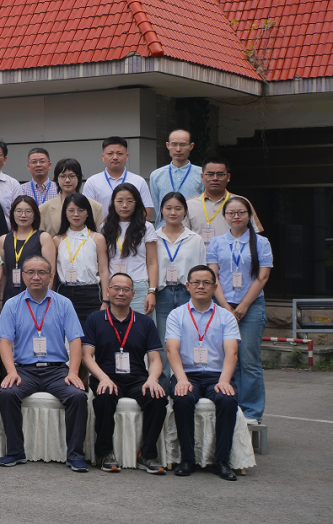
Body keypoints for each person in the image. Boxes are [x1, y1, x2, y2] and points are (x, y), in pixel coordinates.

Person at [0, 255, 89, 471]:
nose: (35, 277)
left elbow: (75, 340)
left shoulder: (64, 303)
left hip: (56, 371)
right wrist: (11, 371)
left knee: (77, 396)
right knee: (8, 393)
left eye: (41, 273)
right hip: (24, 371)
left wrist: (73, 372)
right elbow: (5, 343)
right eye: (30, 272)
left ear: (50, 276)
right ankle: (15, 451)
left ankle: (75, 455)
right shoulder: (12, 305)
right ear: (23, 276)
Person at [82, 272, 168, 474]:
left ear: (133, 294)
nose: (121, 293)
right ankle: (104, 452)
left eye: (126, 289)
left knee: (157, 397)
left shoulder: (145, 322)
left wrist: (153, 379)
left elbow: (155, 359)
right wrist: (103, 378)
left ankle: (147, 454)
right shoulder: (95, 319)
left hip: (138, 378)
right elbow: (87, 356)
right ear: (108, 291)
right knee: (104, 396)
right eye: (116, 288)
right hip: (106, 376)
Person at [166, 265, 241, 481]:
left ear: (215, 287)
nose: (201, 286)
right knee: (183, 398)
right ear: (187, 286)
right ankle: (187, 459)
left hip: (217, 374)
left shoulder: (226, 316)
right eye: (196, 282)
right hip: (187, 373)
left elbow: (232, 352)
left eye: (206, 283)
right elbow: (172, 350)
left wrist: (224, 380)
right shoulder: (176, 315)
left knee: (227, 399)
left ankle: (222, 461)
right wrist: (181, 379)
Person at [207, 197, 271, 423]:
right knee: (226, 359)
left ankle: (251, 412)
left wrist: (243, 305)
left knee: (249, 360)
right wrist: (225, 307)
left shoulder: (261, 242)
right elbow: (213, 277)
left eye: (241, 212)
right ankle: (230, 406)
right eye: (231, 213)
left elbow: (262, 277)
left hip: (251, 306)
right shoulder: (216, 242)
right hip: (223, 305)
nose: (236, 217)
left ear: (249, 216)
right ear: (224, 216)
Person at [154, 192, 207, 383]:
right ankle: (162, 389)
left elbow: (202, 269)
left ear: (185, 211)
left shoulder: (195, 239)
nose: (173, 212)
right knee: (163, 343)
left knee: (188, 340)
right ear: (161, 210)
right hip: (162, 294)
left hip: (187, 294)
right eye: (168, 208)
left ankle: (186, 386)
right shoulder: (153, 237)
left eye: (178, 208)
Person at [101, 184, 159, 316]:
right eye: (119, 201)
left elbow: (152, 262)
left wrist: (152, 291)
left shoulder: (146, 227)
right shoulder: (105, 228)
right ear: (113, 203)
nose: (124, 205)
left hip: (138, 287)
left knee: (140, 326)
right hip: (113, 287)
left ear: (136, 203)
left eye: (129, 201)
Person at [53, 193, 110, 327]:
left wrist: (106, 300)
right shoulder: (57, 240)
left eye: (80, 210)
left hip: (91, 294)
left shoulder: (97, 238)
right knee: (66, 334)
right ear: (65, 213)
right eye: (71, 210)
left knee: (91, 333)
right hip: (64, 292)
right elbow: (53, 273)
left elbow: (103, 270)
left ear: (88, 213)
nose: (76, 214)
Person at [0, 195, 56, 308]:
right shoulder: (3, 240)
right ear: (13, 214)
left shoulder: (43, 237)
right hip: (10, 297)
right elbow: (4, 274)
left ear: (35, 214)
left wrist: (45, 298)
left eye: (28, 211)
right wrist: (0, 298)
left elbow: (51, 272)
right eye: (19, 211)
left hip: (36, 296)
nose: (23, 215)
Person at [188, 157, 263, 242]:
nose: (215, 178)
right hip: (198, 251)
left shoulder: (242, 203)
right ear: (202, 177)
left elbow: (254, 234)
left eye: (220, 174)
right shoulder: (189, 205)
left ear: (228, 177)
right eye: (210, 174)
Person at [83, 137, 155, 222]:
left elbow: (146, 214)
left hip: (133, 229)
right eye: (110, 153)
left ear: (127, 156)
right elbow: (86, 213)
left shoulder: (139, 181)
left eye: (119, 153)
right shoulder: (92, 182)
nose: (115, 157)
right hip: (102, 229)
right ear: (103, 157)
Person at [149, 130, 203, 227]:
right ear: (167, 145)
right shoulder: (156, 175)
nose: (178, 149)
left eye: (183, 144)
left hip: (193, 228)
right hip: (164, 229)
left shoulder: (202, 174)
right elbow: (158, 207)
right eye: (174, 144)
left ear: (191, 146)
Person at [40, 158, 105, 236]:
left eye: (72, 176)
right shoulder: (44, 209)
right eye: (63, 176)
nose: (67, 180)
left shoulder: (96, 207)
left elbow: (99, 236)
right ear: (57, 179)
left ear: (79, 178)